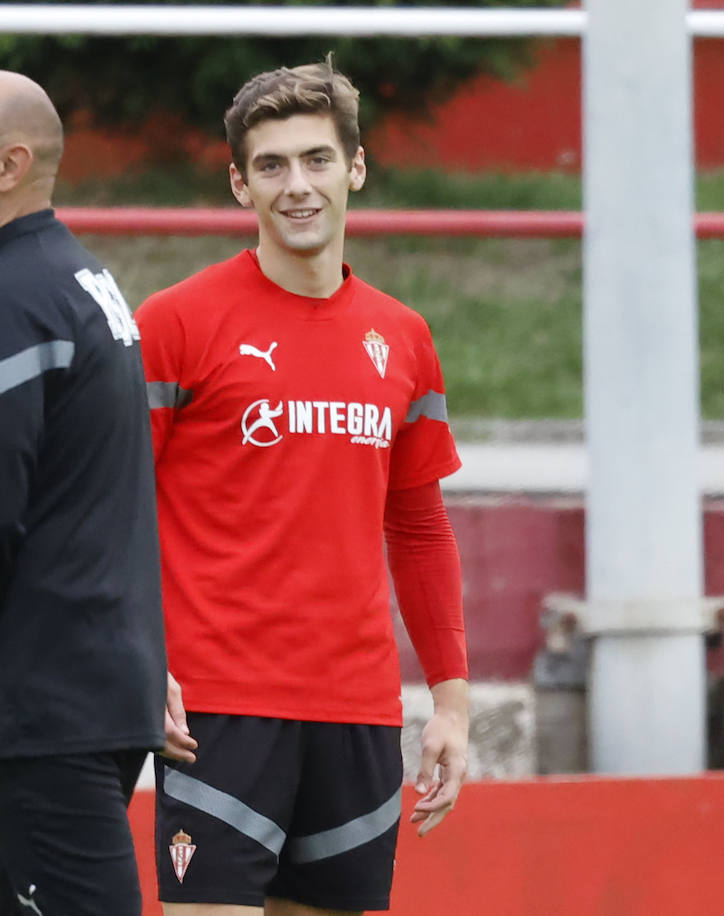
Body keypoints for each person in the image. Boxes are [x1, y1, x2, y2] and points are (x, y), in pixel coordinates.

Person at [136, 58, 471, 915]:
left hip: (357, 712)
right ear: (239, 184)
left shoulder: (404, 338)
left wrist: (451, 702)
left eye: (318, 160)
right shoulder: (175, 323)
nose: (299, 186)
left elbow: (421, 528)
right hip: (216, 707)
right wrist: (136, 653)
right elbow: (110, 506)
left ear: (355, 168)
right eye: (273, 166)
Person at [0, 68, 171, 916]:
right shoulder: (74, 278)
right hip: (91, 690)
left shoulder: (4, 301)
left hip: (52, 706)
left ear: (9, 166)